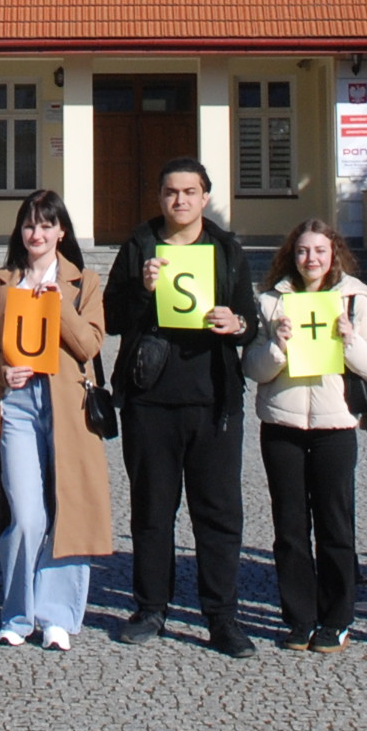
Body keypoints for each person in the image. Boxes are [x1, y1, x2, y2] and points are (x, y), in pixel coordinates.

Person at [105, 158, 262, 655]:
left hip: (214, 400)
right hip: (150, 400)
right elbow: (111, 317)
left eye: (190, 192)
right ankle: (151, 607)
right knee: (152, 510)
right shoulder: (139, 245)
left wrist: (237, 324)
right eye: (171, 192)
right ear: (160, 197)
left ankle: (221, 616)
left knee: (218, 513)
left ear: (205, 197)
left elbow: (250, 320)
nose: (180, 200)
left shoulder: (226, 248)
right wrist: (141, 289)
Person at [0, 188, 112, 650]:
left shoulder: (84, 282)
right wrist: (0, 371)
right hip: (18, 405)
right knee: (26, 514)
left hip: (68, 406)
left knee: (69, 510)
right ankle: (16, 613)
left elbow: (90, 345)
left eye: (47, 225)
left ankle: (57, 616)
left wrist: (59, 304)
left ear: (61, 231)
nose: (37, 234)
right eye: (30, 225)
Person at [242, 218, 367, 652]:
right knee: (289, 527)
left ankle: (337, 618)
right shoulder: (270, 302)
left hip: (334, 427)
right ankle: (299, 618)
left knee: (334, 525)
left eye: (320, 251)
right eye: (304, 251)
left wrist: (350, 341)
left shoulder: (357, 301)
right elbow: (252, 368)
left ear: (334, 254)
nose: (311, 259)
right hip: (282, 425)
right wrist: (277, 347)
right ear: (292, 255)